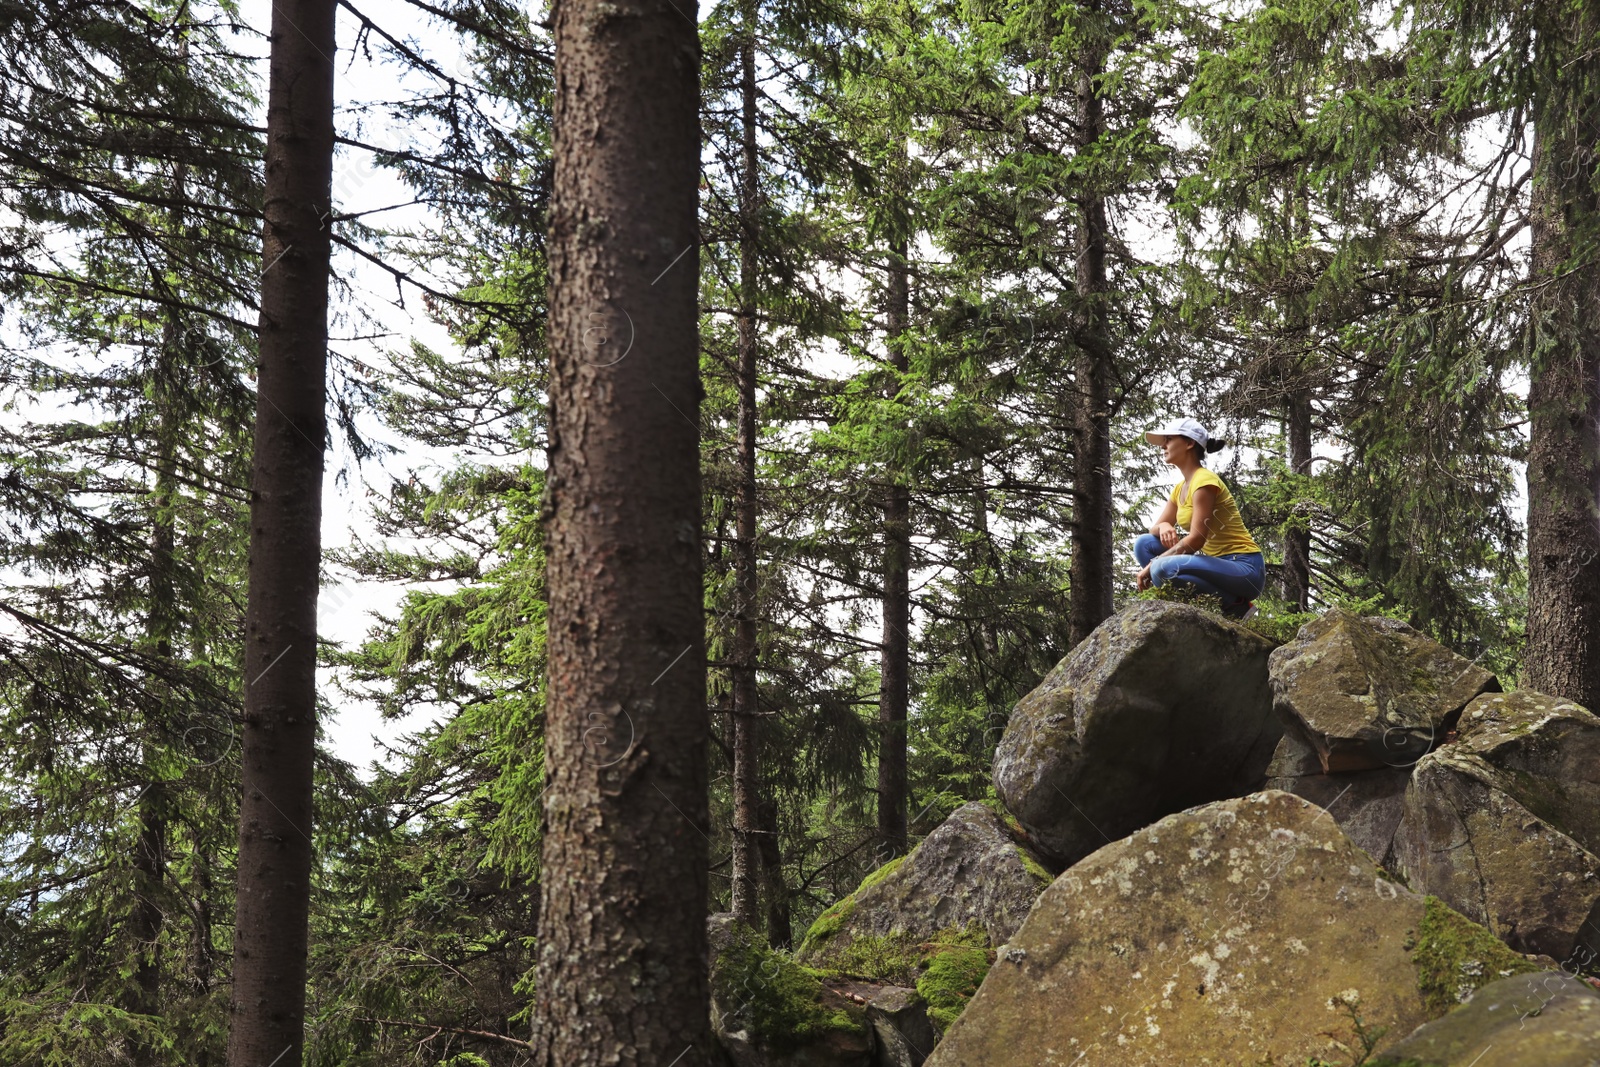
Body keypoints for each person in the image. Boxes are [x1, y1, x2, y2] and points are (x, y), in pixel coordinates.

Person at [1135, 418, 1265, 619]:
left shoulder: (1204, 481)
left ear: (1189, 443)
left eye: (1169, 439)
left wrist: (1154, 564)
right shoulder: (1180, 488)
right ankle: (1192, 604)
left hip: (1245, 568)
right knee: (1144, 544)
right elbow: (1155, 530)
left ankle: (1236, 605)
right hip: (1215, 564)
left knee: (1161, 567)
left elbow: (1196, 539)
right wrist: (1163, 525)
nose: (1163, 445)